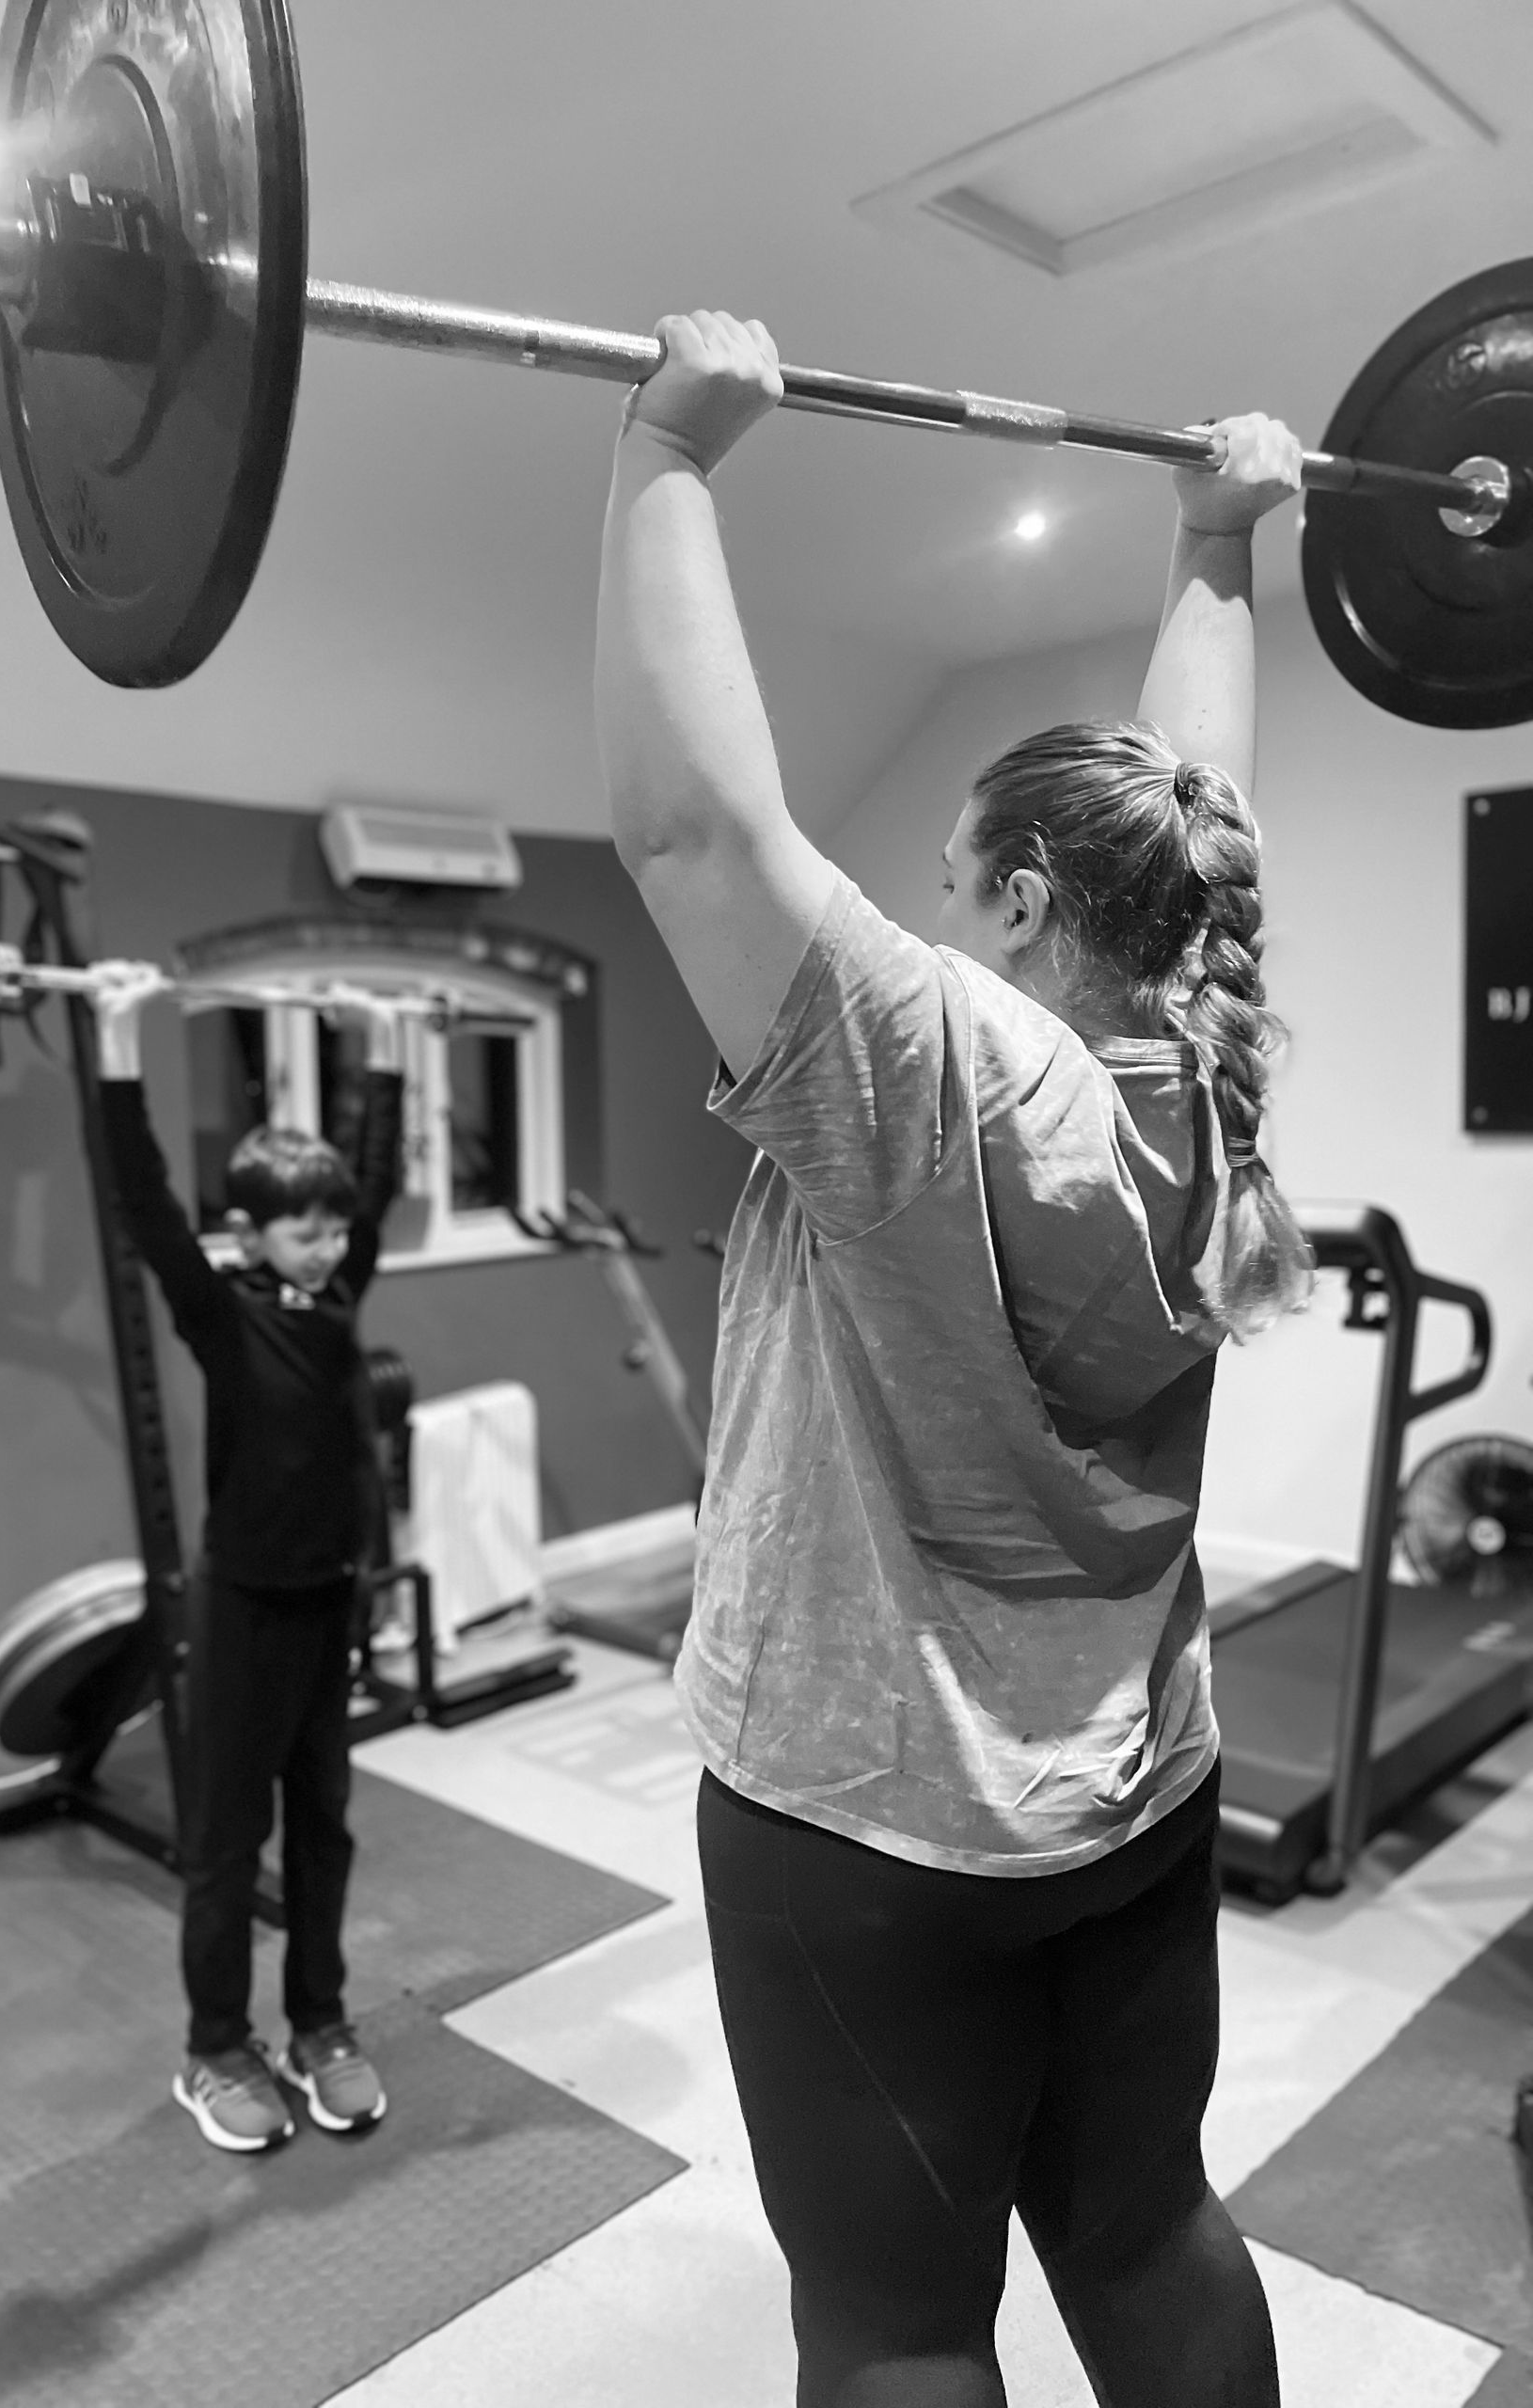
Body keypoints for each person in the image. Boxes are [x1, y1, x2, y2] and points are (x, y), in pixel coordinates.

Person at [594, 311, 1314, 2408]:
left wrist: (666, 449)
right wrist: (1215, 542)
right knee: (1147, 2223)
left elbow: (696, 839)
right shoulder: (1207, 1073)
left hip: (868, 1831)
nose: (924, 910)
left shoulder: (945, 1065)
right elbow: (1208, 820)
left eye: (944, 883)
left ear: (1013, 895)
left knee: (899, 2321)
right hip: (1133, 1785)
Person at [92, 964, 404, 2153]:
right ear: (250, 1232)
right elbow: (144, 1205)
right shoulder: (222, 1312)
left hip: (329, 1603)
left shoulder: (337, 1297)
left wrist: (377, 1047)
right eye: (302, 1228)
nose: (328, 1246)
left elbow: (373, 1183)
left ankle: (318, 2021)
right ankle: (214, 2045)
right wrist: (117, 1038)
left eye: (332, 1228)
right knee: (228, 1841)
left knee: (323, 1823)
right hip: (241, 1611)